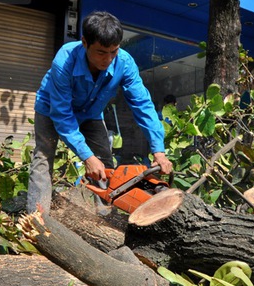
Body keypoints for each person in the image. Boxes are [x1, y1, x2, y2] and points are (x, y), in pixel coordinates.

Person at [27, 11, 173, 213]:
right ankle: (37, 219)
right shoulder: (64, 62)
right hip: (51, 110)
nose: (108, 59)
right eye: (101, 52)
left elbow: (143, 105)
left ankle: (105, 217)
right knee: (44, 156)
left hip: (91, 113)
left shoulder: (125, 63)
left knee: (105, 162)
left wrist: (158, 150)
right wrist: (87, 157)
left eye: (114, 51)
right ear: (85, 42)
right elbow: (62, 115)